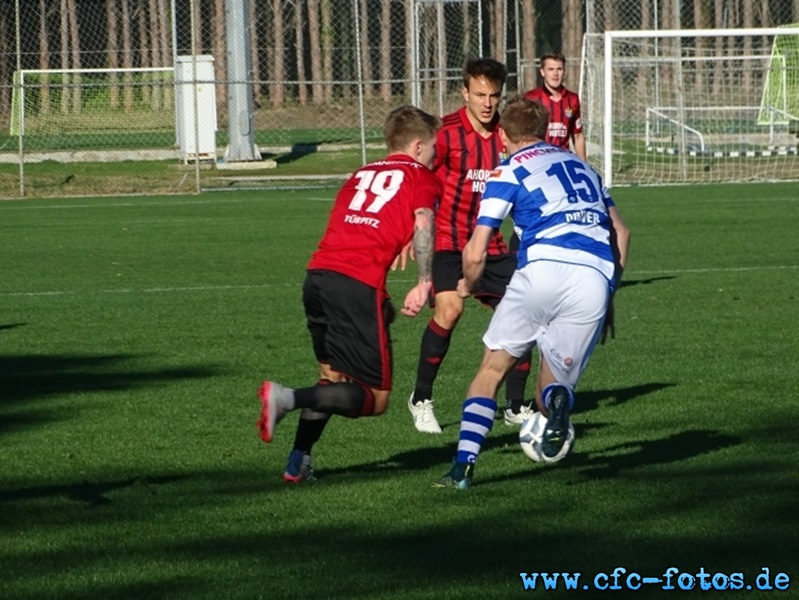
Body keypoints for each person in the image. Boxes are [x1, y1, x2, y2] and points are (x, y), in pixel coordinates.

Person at [435, 96, 631, 490]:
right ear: (543, 131)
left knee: (490, 371)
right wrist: (609, 291)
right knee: (548, 392)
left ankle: (462, 468)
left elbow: (477, 249)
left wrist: (468, 283)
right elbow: (621, 232)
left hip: (543, 269)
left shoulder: (507, 170)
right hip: (594, 278)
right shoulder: (585, 168)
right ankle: (558, 405)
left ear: (505, 135)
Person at [257, 105, 440, 483]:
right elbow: (424, 219)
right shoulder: (422, 175)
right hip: (356, 285)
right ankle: (286, 398)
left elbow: (366, 221)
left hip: (318, 277)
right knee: (375, 399)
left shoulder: (360, 173)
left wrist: (399, 238)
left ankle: (299, 461)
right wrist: (425, 281)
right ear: (419, 146)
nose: (435, 156)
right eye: (434, 148)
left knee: (333, 377)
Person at [407, 57, 534, 434]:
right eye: (479, 94)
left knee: (524, 318)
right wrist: (409, 230)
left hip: (491, 244)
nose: (487, 103)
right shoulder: (444, 133)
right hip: (448, 240)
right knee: (449, 310)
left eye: (494, 95)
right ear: (464, 92)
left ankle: (514, 406)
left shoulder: (507, 135)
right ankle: (421, 398)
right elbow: (419, 182)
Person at [524, 52, 586, 161]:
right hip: (538, 161)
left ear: (564, 72)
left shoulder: (572, 99)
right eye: (551, 69)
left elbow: (578, 135)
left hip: (563, 160)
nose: (555, 74)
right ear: (542, 72)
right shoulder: (531, 98)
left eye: (559, 69)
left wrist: (584, 165)